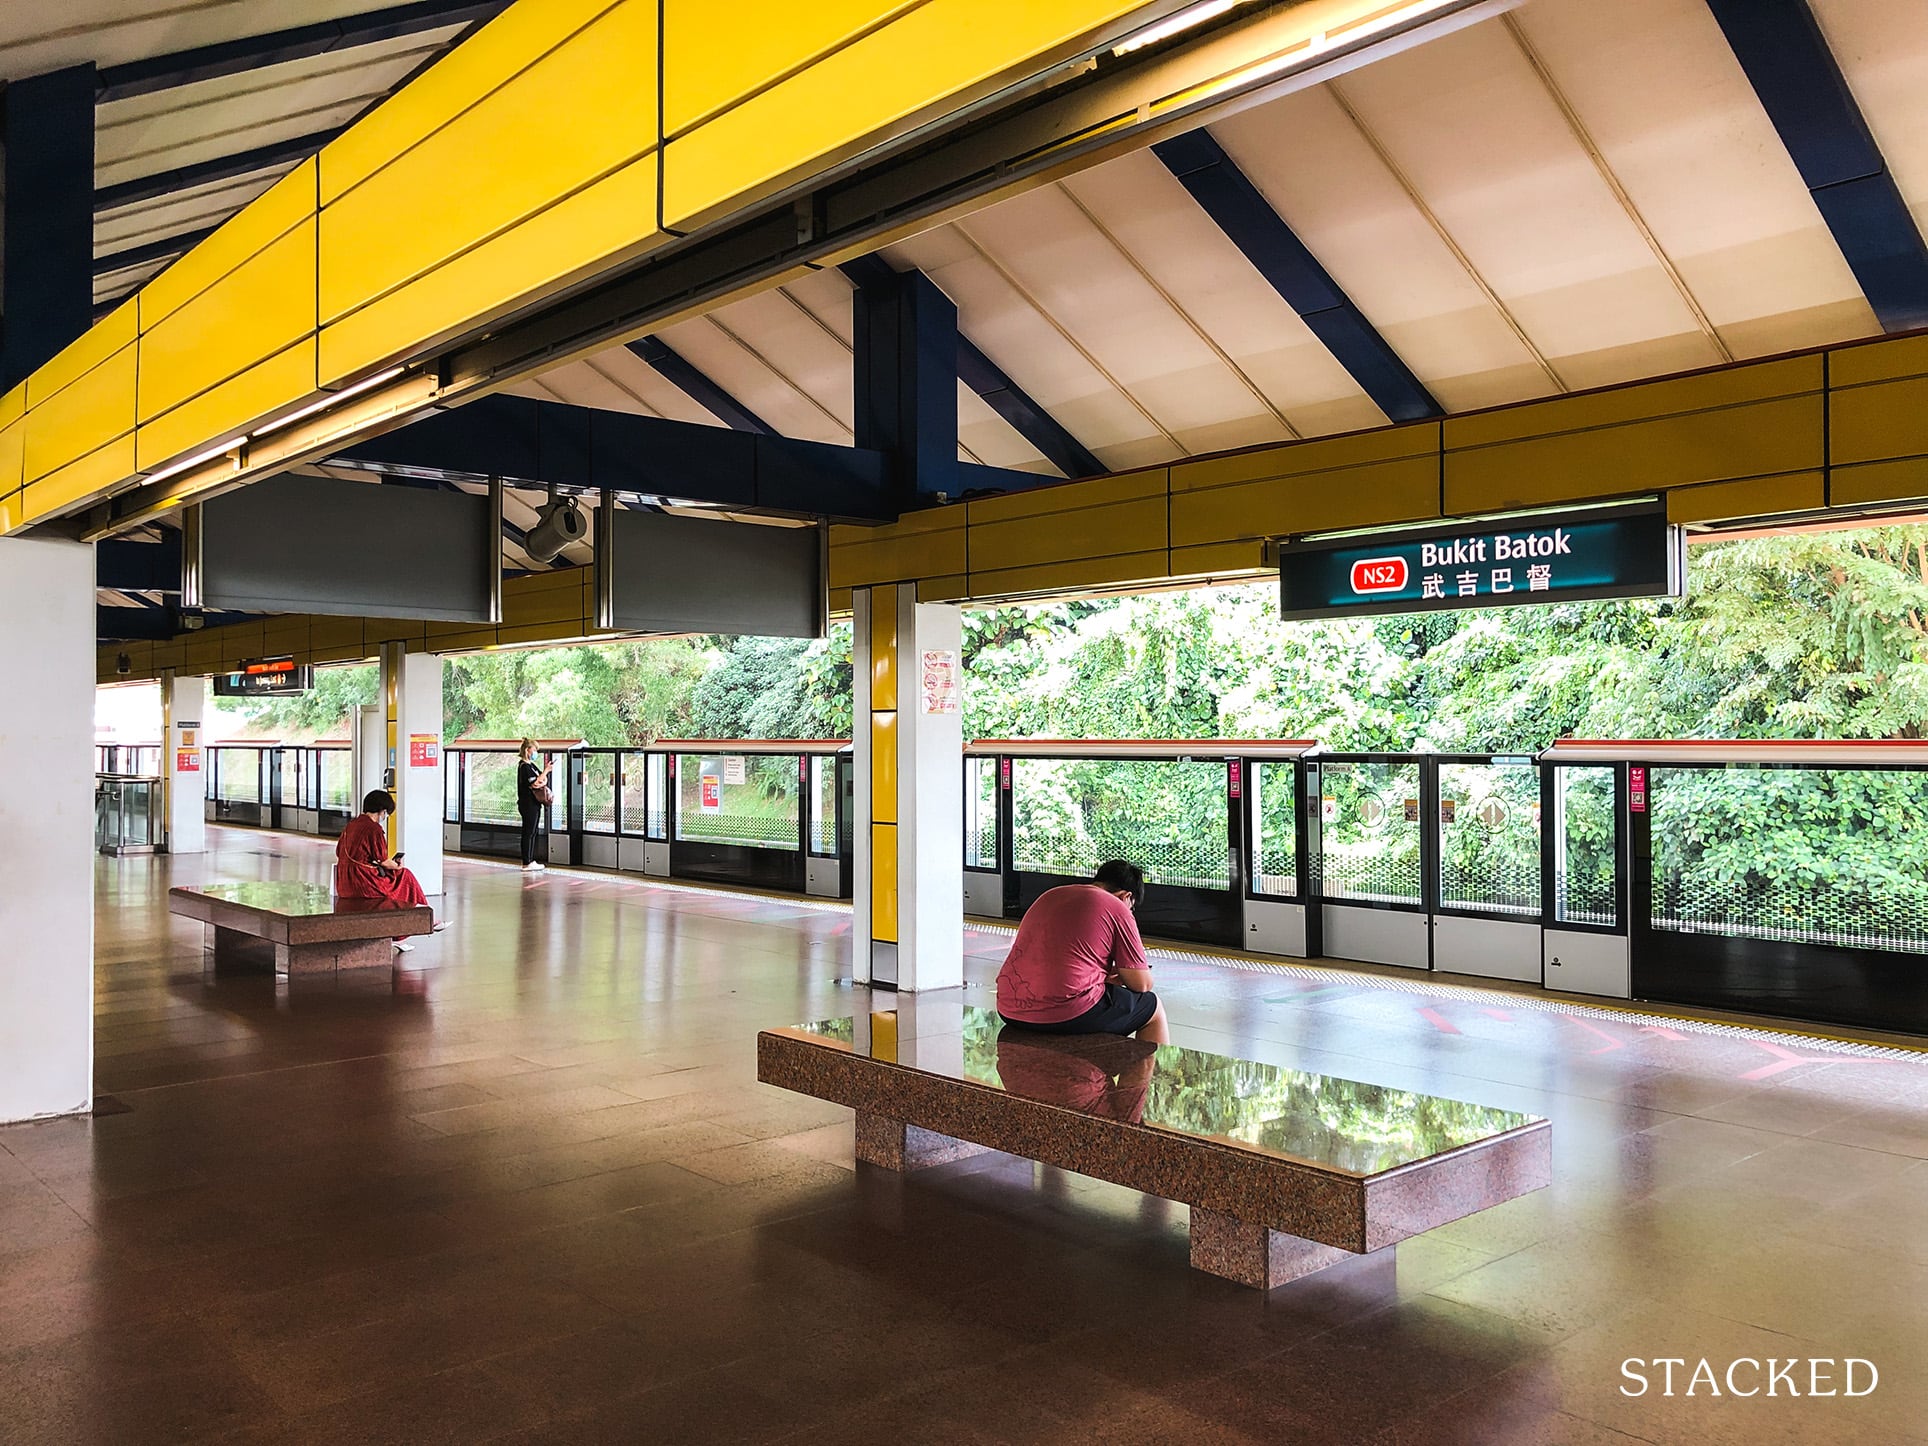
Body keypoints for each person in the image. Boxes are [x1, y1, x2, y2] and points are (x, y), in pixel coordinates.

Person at [995, 860, 1168, 1043]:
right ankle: (1147, 1072)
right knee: (1152, 1007)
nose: (1130, 912)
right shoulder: (1116, 906)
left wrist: (1100, 976)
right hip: (1068, 1011)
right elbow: (1141, 984)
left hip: (1008, 1007)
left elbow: (1056, 957)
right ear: (1126, 896)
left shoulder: (1051, 894)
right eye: (1131, 907)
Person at [335, 789, 447, 952]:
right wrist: (397, 865)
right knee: (404, 877)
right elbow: (384, 860)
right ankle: (424, 917)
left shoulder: (351, 825)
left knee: (396, 883)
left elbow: (340, 852)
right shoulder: (373, 829)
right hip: (363, 882)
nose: (385, 816)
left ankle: (406, 930)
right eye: (386, 812)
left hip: (344, 880)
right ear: (382, 811)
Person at [516, 739, 550, 873]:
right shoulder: (524, 767)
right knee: (528, 832)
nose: (536, 752)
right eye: (534, 750)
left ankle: (530, 859)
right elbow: (535, 782)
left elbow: (541, 779)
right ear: (527, 750)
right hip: (528, 804)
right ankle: (527, 861)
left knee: (533, 831)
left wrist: (542, 778)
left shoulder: (532, 766)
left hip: (535, 803)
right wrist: (545, 772)